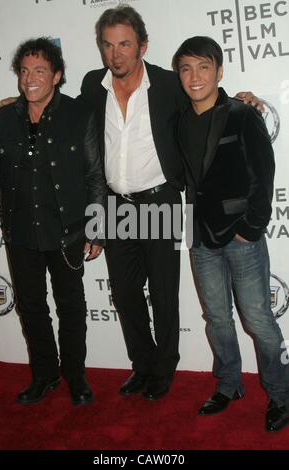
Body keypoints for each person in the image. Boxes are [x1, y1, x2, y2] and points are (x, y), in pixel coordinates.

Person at [0, 4, 263, 401]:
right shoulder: (90, 85)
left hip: (161, 200)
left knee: (165, 293)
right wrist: (7, 108)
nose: (115, 54)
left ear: (142, 46)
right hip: (115, 204)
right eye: (108, 45)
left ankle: (164, 369)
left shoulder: (170, 84)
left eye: (124, 44)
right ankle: (143, 364)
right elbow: (53, 108)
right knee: (126, 292)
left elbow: (207, 99)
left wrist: (242, 97)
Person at [172, 35, 289, 431]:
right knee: (217, 318)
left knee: (258, 320)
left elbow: (263, 173)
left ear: (219, 71)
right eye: (186, 68)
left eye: (204, 66)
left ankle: (281, 394)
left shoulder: (241, 113)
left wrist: (250, 228)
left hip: (242, 238)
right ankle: (229, 384)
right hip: (200, 237)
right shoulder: (178, 119)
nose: (195, 75)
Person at [0, 37, 107, 406]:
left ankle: (75, 375)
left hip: (67, 231)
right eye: (24, 71)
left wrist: (96, 227)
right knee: (31, 306)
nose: (30, 79)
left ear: (56, 75)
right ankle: (44, 375)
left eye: (39, 70)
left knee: (71, 306)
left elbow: (95, 176)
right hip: (21, 230)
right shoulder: (4, 118)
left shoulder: (78, 114)